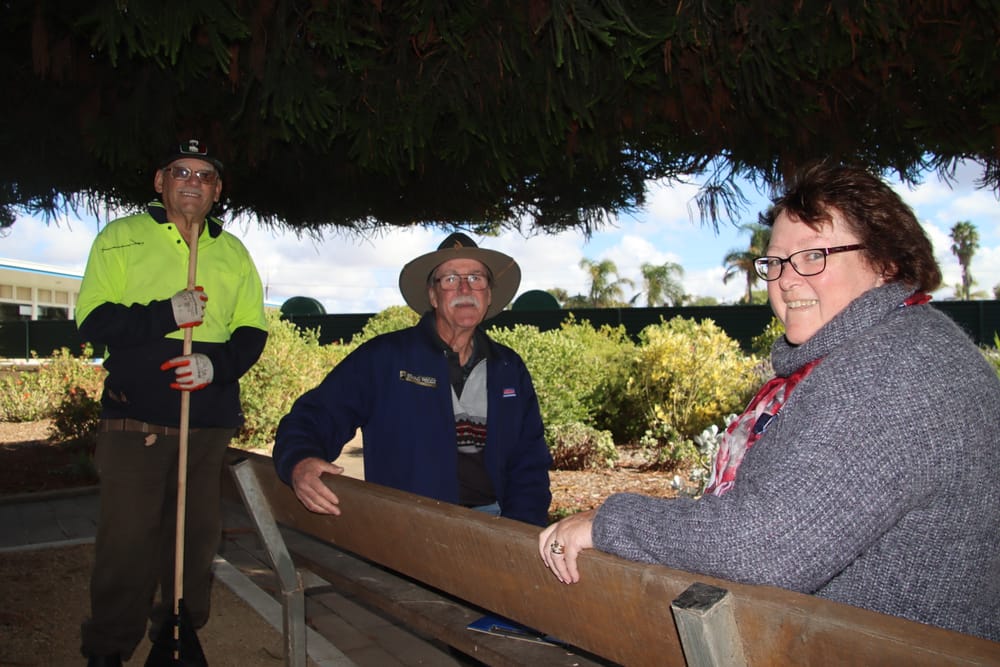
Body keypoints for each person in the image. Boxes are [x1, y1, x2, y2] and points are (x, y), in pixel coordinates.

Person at [538, 162, 1000, 641]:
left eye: (814, 256)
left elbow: (766, 543)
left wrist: (609, 521)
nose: (786, 279)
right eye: (776, 261)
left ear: (887, 263)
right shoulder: (893, 346)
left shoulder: (891, 367)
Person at [76, 139, 269, 665]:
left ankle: (177, 633)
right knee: (127, 540)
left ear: (217, 190)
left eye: (205, 176)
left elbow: (253, 328)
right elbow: (93, 321)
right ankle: (109, 646)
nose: (193, 181)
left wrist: (217, 366)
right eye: (181, 171)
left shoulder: (233, 251)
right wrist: (167, 312)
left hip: (207, 421)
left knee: (196, 537)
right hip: (135, 417)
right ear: (159, 182)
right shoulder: (120, 238)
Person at [273, 232, 552, 526]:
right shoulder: (385, 358)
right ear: (432, 295)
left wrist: (521, 526)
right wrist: (300, 460)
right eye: (450, 280)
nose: (465, 288)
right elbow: (315, 416)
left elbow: (529, 458)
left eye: (476, 278)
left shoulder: (509, 367)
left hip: (495, 521)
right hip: (410, 525)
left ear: (489, 294)